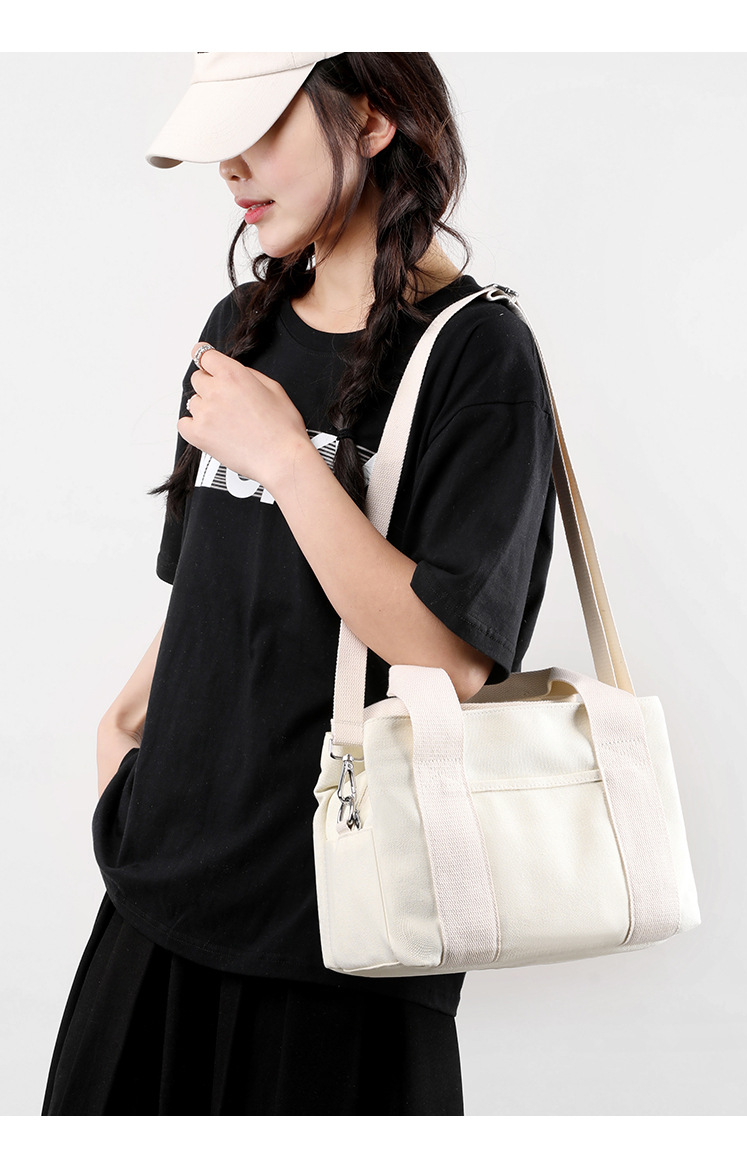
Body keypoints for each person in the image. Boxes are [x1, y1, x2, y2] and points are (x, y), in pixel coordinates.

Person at [41, 52, 557, 1116]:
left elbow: (447, 658)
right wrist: (122, 731)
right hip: (158, 885)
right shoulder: (239, 326)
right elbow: (208, 589)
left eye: (263, 129)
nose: (231, 167)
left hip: (339, 932)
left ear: (371, 120)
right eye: (218, 141)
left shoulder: (477, 352)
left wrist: (288, 458)